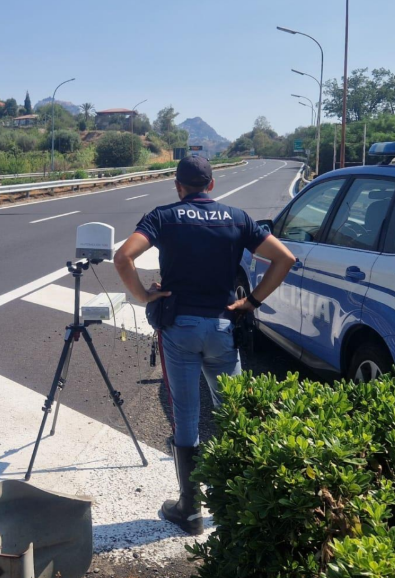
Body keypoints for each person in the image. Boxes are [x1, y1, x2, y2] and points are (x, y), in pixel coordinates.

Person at [113, 155, 295, 535]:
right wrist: (252, 302)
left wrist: (144, 296)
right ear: (212, 184)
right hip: (223, 326)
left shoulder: (163, 217)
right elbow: (284, 258)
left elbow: (123, 257)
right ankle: (241, 503)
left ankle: (190, 510)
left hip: (179, 328)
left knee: (186, 416)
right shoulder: (238, 218)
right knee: (234, 413)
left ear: (178, 187)